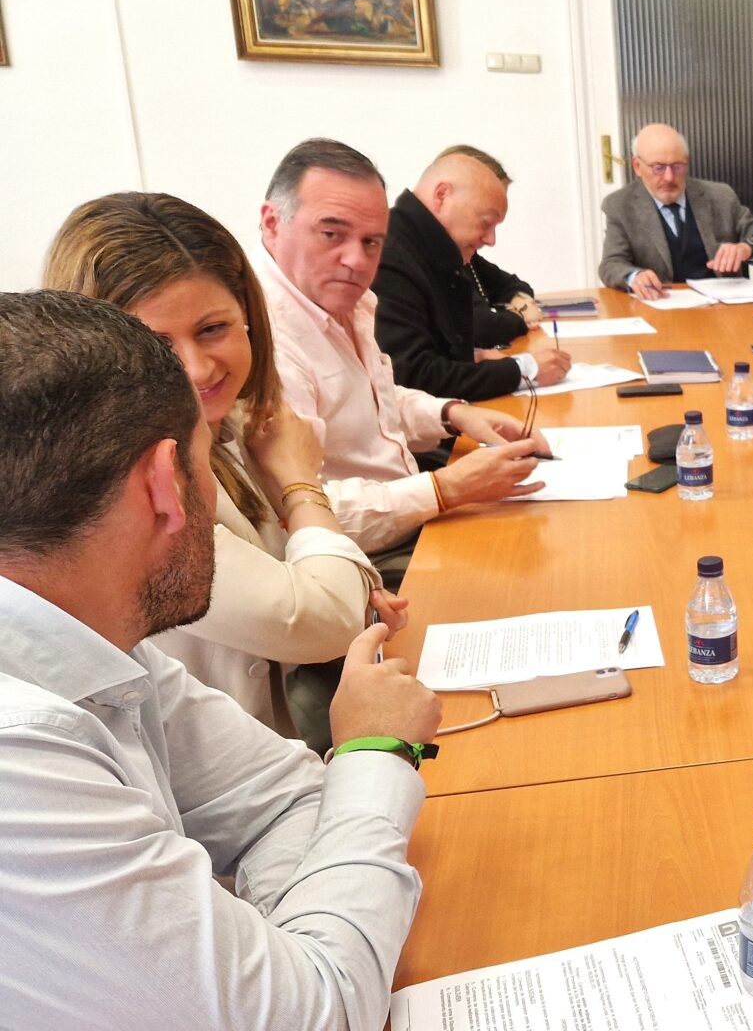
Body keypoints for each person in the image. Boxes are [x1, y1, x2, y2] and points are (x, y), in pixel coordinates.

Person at [0, 289, 442, 1031]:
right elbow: (316, 1015)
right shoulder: (21, 759)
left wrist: (297, 944)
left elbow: (286, 799)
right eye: (207, 462)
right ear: (165, 484)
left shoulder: (96, 637)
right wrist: (376, 751)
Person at [41, 191, 399, 739]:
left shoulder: (228, 425)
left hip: (269, 743)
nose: (197, 368)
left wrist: (353, 599)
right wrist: (299, 483)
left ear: (249, 317)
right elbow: (319, 620)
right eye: (156, 343)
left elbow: (315, 599)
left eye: (213, 329)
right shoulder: (122, 483)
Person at [256, 137, 549, 587]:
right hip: (359, 562)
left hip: (407, 519)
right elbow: (298, 513)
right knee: (535, 574)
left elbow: (373, 398)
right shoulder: (263, 339)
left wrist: (452, 413)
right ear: (272, 223)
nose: (356, 260)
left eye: (372, 241)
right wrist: (445, 489)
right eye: (332, 234)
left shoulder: (342, 299)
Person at [373, 144, 572, 403]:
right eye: (485, 222)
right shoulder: (391, 256)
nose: (491, 240)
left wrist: (474, 355)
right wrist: (524, 370)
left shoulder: (430, 246)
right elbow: (414, 376)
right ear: (442, 195)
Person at [596, 123, 753, 297]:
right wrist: (634, 276)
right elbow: (611, 264)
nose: (669, 177)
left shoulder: (720, 196)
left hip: (721, 306)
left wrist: (746, 248)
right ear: (637, 166)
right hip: (660, 304)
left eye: (677, 166)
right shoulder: (620, 205)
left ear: (687, 163)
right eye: (658, 168)